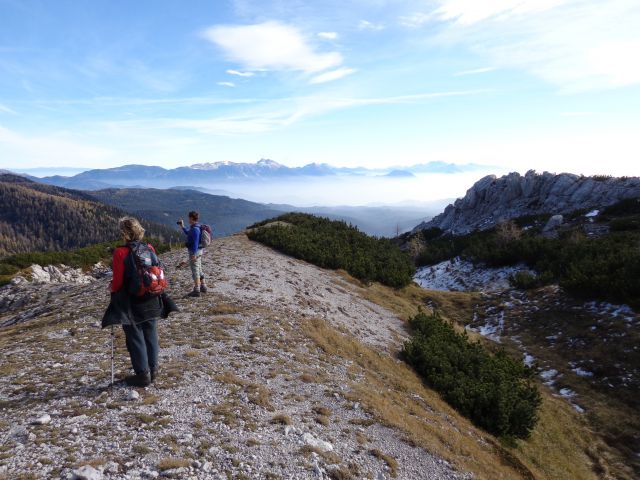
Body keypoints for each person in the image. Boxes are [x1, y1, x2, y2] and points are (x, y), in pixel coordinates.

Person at [109, 217, 162, 387]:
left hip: (132, 301)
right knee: (151, 332)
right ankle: (153, 370)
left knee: (135, 336)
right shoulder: (149, 247)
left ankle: (142, 375)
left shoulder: (120, 252)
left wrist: (111, 288)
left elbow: (117, 282)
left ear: (124, 233)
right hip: (152, 296)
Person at [178, 210, 207, 297]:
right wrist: (182, 226)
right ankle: (203, 286)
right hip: (199, 251)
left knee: (195, 271)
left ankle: (197, 290)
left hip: (195, 252)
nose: (188, 220)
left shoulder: (195, 229)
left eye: (189, 218)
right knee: (199, 269)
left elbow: (194, 243)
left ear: (191, 218)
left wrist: (193, 254)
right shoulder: (195, 227)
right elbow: (188, 233)